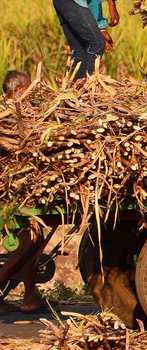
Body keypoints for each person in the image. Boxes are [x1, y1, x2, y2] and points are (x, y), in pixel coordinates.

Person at [0, 70, 47, 314]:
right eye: (29, 89)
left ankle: (29, 297)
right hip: (9, 192)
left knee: (33, 241)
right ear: (18, 91)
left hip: (20, 189)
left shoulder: (14, 111)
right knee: (29, 241)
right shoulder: (7, 114)